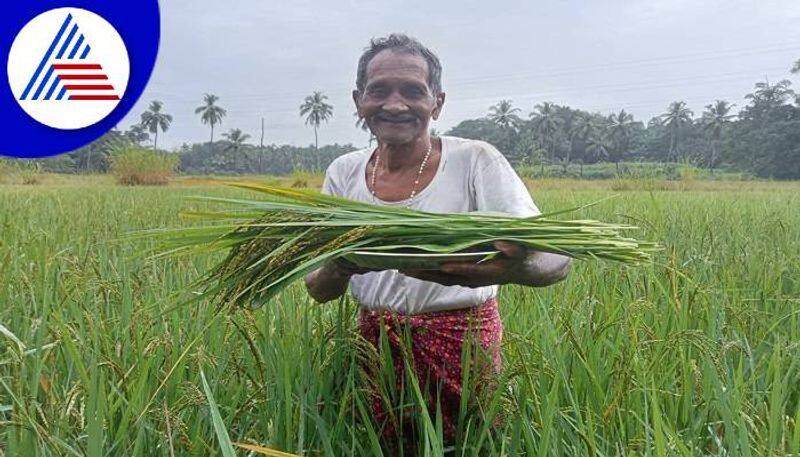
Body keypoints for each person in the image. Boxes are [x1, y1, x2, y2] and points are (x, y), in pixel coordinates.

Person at [303, 33, 571, 445]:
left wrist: (513, 268)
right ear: (359, 100)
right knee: (381, 444)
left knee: (473, 444)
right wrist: (342, 264)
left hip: (462, 345)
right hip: (374, 347)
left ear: (437, 102)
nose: (395, 104)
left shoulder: (474, 160)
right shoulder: (344, 172)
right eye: (379, 91)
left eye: (413, 90)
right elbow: (318, 289)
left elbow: (558, 261)